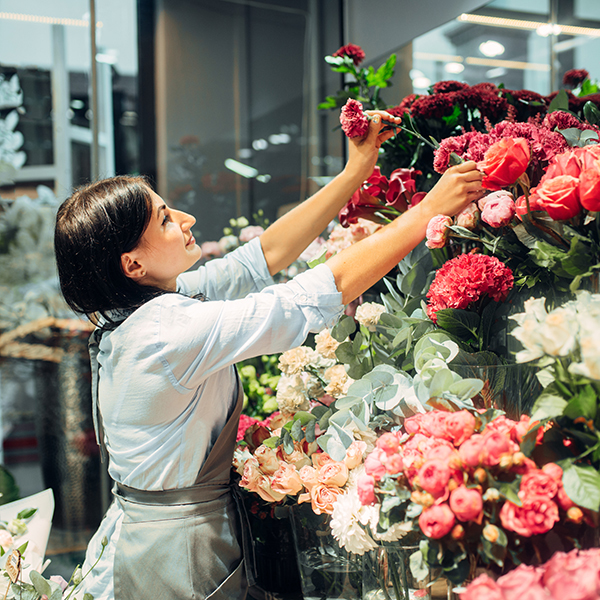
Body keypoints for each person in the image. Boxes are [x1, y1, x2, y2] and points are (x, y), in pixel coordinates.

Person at [54, 111, 483, 600]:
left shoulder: (138, 308)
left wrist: (352, 175)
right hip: (173, 551)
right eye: (166, 219)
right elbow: (315, 294)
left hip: (149, 528)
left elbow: (263, 257)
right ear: (132, 263)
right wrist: (426, 212)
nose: (187, 219)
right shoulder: (165, 331)